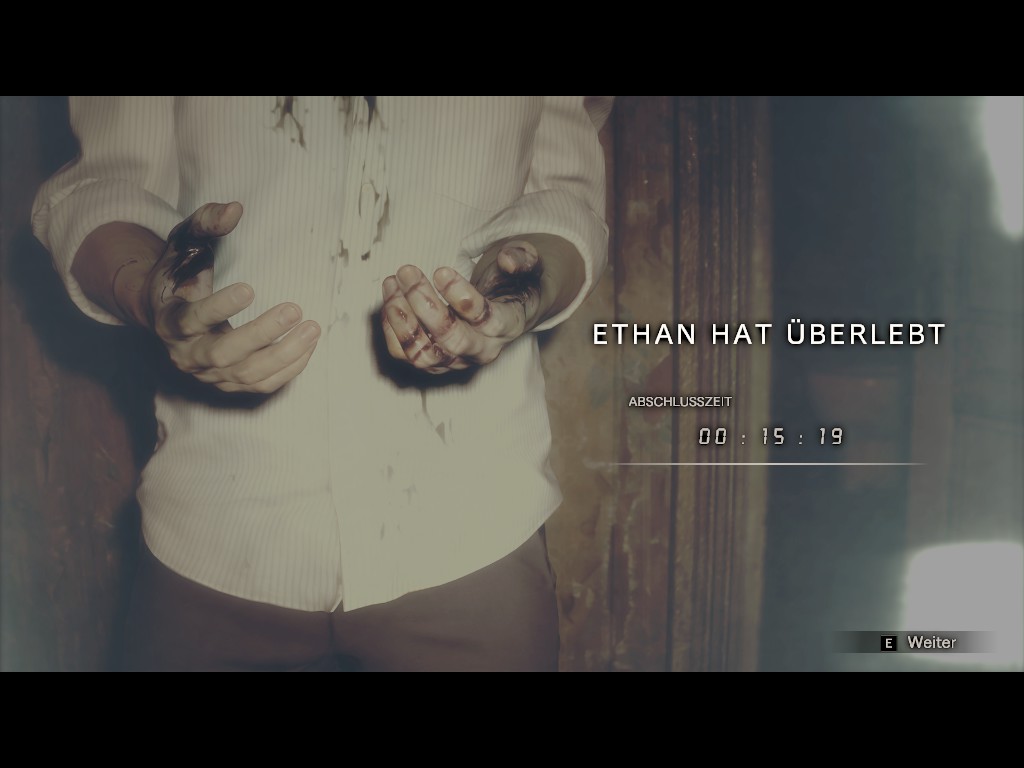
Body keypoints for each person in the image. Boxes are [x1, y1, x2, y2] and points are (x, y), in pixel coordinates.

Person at [32, 96, 611, 671]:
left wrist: (519, 291)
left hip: (474, 529)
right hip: (211, 533)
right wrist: (151, 293)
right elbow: (107, 187)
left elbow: (564, 201)